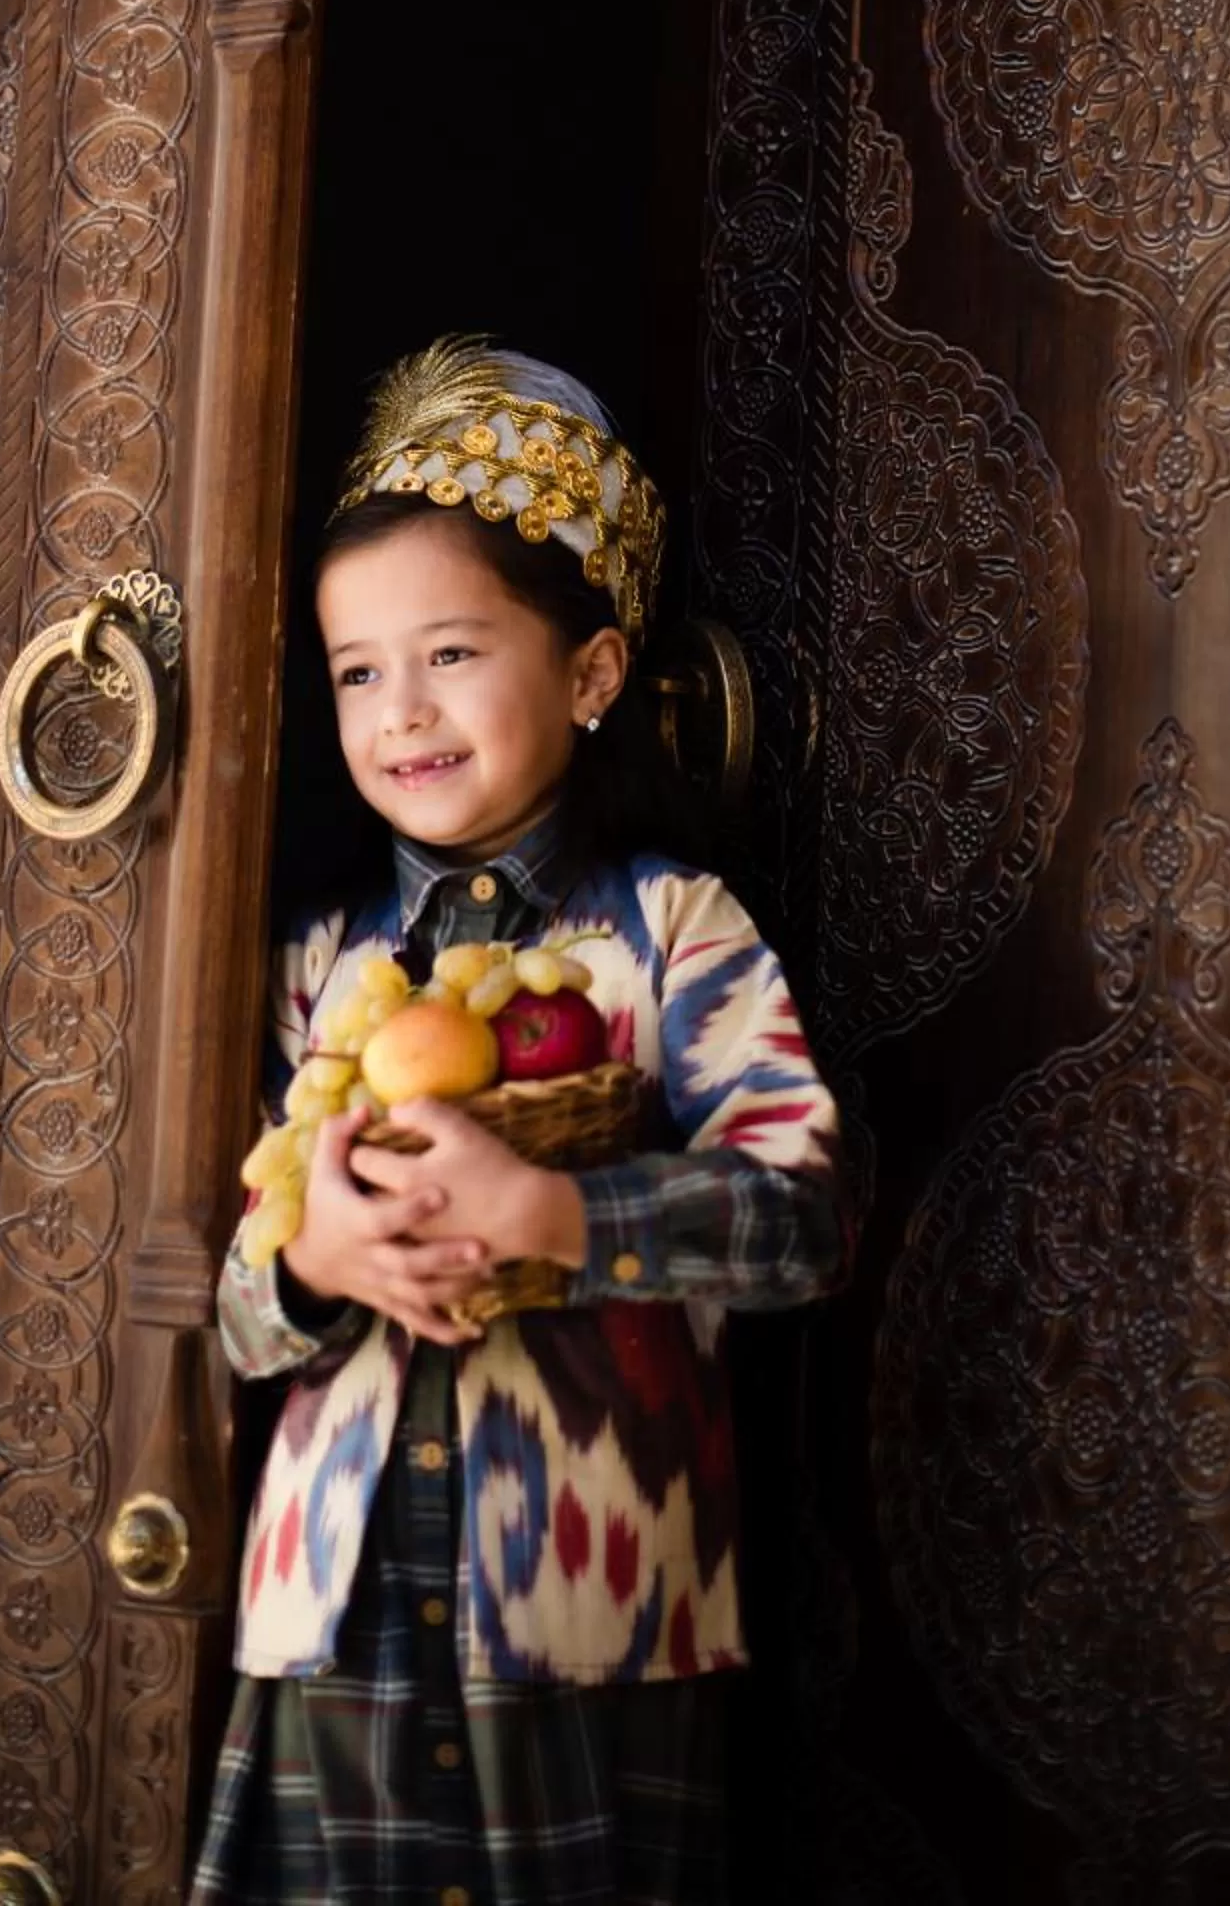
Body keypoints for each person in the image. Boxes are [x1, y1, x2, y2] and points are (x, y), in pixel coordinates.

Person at [193, 339, 848, 1906]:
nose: (398, 712)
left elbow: (803, 1216)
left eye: (450, 655)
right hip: (333, 1608)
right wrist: (308, 1262)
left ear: (593, 672)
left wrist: (562, 1218)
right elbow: (224, 1302)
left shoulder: (670, 930)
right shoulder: (310, 961)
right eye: (356, 671)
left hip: (587, 1605)